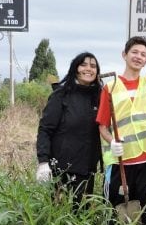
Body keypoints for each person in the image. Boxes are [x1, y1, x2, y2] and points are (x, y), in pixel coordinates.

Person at [96, 23, 146, 225]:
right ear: (124, 55)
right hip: (121, 161)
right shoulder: (110, 87)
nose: (139, 57)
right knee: (116, 210)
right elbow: (103, 126)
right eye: (135, 52)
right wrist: (111, 142)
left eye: (143, 54)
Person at [35, 52, 102, 204]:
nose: (88, 69)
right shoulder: (61, 94)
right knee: (60, 215)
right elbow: (45, 129)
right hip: (62, 168)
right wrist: (43, 162)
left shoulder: (99, 96)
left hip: (87, 169)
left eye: (93, 66)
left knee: (82, 214)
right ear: (75, 68)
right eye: (83, 64)